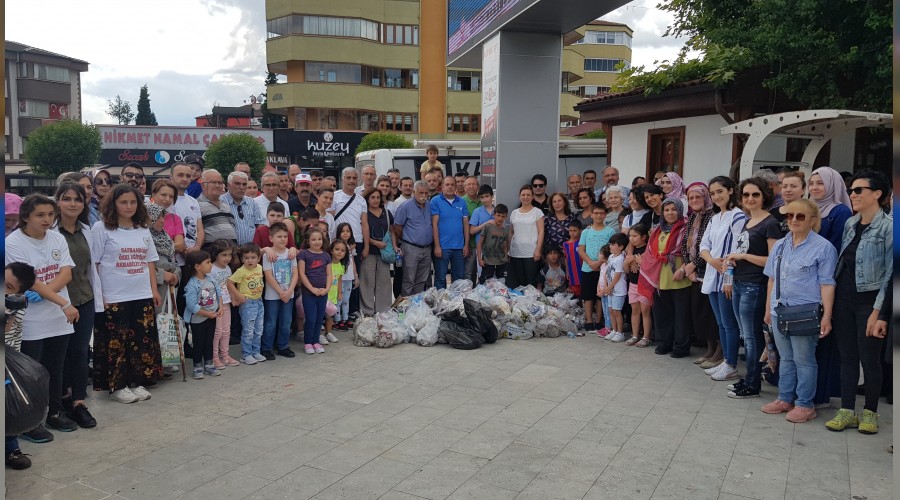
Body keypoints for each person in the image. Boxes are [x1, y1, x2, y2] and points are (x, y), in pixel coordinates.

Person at [6, 195, 80, 441]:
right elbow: (30, 281)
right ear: (26, 216)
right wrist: (63, 303)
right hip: (31, 319)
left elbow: (66, 272)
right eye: (40, 215)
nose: (47, 219)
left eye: (50, 214)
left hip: (57, 317)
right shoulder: (13, 243)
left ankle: (55, 412)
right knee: (31, 372)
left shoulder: (57, 237)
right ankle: (30, 421)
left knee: (55, 368)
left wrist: (55, 297)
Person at [827, 169, 892, 434]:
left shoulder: (889, 228)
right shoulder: (850, 224)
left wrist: (880, 313)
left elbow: (891, 275)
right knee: (847, 357)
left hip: (870, 301)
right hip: (844, 299)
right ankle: (847, 410)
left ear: (876, 194)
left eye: (858, 190)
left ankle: (870, 413)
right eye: (851, 190)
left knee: (870, 359)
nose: (852, 195)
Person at [761, 199, 836, 423]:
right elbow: (771, 279)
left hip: (805, 313)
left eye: (800, 216)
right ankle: (785, 398)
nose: (793, 220)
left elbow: (827, 283)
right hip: (779, 311)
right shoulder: (780, 245)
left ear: (813, 221)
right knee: (786, 358)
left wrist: (827, 316)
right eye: (789, 215)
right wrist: (768, 309)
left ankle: (805, 403)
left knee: (804, 359)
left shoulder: (823, 248)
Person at [91, 184, 163, 403]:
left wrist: (153, 290)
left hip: (141, 293)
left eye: (133, 202)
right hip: (114, 295)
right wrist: (99, 294)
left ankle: (136, 380)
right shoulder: (101, 228)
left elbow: (149, 261)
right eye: (123, 202)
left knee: (141, 340)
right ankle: (117, 385)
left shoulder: (142, 229)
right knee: (116, 342)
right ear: (113, 204)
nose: (129, 206)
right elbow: (94, 263)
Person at [725, 178, 783, 398]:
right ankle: (749, 378)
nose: (750, 199)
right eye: (746, 195)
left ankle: (753, 383)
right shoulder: (746, 222)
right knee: (746, 335)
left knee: (752, 337)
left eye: (755, 194)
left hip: (755, 285)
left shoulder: (770, 223)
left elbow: (773, 260)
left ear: (764, 196)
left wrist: (743, 256)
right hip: (740, 282)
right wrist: (732, 260)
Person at [53, 182, 103, 429]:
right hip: (58, 303)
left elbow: (92, 267)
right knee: (59, 355)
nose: (72, 203)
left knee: (80, 353)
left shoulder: (87, 230)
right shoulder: (51, 232)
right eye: (67, 198)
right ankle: (59, 401)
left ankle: (79, 403)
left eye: (78, 199)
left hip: (85, 299)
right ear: (58, 201)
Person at [700, 176, 746, 382]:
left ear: (730, 191)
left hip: (727, 278)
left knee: (729, 323)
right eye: (713, 193)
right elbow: (704, 246)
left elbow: (737, 250)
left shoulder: (738, 217)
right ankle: (726, 361)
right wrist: (712, 261)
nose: (716, 196)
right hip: (713, 274)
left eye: (720, 191)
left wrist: (727, 275)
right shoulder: (714, 217)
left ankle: (731, 364)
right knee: (720, 322)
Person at [677, 182, 720, 367]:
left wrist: (693, 266)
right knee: (701, 313)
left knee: (712, 315)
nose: (694, 200)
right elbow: (685, 245)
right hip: (693, 273)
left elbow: (708, 246)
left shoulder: (713, 217)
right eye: (691, 198)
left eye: (698, 197)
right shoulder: (692, 218)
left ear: (706, 197)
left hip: (708, 272)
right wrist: (688, 266)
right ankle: (709, 350)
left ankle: (719, 353)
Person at [642, 199, 692, 357]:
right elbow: (650, 251)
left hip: (680, 277)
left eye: (673, 209)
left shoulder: (687, 229)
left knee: (681, 315)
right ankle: (665, 343)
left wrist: (683, 268)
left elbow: (692, 251)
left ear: (680, 211)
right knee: (663, 314)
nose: (670, 213)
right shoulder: (658, 230)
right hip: (660, 278)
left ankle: (681, 347)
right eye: (667, 210)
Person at [5, 262, 37, 469]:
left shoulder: (15, 306)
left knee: (7, 406)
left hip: (7, 363)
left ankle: (10, 448)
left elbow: (12, 339)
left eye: (8, 287)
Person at [331, 168, 367, 316]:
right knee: (338, 278)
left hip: (356, 243)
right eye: (348, 178)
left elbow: (364, 223)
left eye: (354, 178)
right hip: (338, 245)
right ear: (343, 179)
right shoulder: (335, 197)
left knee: (353, 277)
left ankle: (352, 310)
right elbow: (330, 220)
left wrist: (366, 246)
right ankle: (336, 312)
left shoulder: (361, 199)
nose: (352, 181)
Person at [261, 222, 298, 360]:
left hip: (289, 294)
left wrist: (289, 291)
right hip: (273, 295)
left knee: (286, 321)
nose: (283, 239)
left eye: (285, 236)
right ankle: (266, 348)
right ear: (271, 238)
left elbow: (295, 274)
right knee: (270, 322)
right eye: (279, 236)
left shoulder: (290, 253)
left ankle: (283, 346)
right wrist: (280, 292)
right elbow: (268, 276)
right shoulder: (268, 255)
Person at [182, 250, 222, 379]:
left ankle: (209, 365)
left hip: (212, 317)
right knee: (198, 342)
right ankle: (197, 366)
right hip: (198, 319)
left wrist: (220, 307)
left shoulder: (211, 279)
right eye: (208, 262)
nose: (211, 265)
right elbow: (191, 305)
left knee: (209, 341)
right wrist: (206, 314)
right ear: (197, 266)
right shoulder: (192, 284)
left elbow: (219, 293)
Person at [227, 244, 266, 365]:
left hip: (259, 301)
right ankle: (246, 354)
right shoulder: (241, 271)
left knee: (258, 329)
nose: (250, 260)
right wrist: (238, 296)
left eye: (253, 257)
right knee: (248, 330)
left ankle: (256, 352)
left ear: (258, 258)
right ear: (242, 259)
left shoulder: (259, 268)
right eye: (246, 258)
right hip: (248, 303)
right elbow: (229, 282)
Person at [578, 204, 615, 332]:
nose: (599, 216)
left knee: (601, 295)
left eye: (601, 213)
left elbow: (611, 250)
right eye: (596, 213)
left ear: (605, 215)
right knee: (588, 296)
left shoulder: (610, 231)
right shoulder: (586, 231)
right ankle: (589, 321)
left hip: (603, 269)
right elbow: (581, 249)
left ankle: (599, 321)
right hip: (587, 268)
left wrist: (599, 263)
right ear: (592, 215)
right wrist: (590, 263)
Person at [360, 188, 397, 315]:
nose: (375, 200)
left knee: (384, 282)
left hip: (384, 252)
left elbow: (391, 231)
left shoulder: (386, 213)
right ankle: (367, 310)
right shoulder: (364, 213)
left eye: (378, 197)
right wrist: (375, 243)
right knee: (367, 281)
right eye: (372, 197)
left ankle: (383, 310)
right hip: (369, 251)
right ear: (367, 199)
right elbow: (362, 232)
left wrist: (394, 246)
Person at [394, 181, 434, 296]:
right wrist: (407, 240)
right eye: (421, 193)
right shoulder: (405, 207)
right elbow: (397, 227)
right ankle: (406, 308)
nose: (424, 196)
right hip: (411, 248)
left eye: (426, 193)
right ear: (414, 192)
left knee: (422, 280)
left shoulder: (429, 205)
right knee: (409, 279)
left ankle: (417, 306)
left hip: (426, 248)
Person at [298, 228, 333, 354]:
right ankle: (308, 343)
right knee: (311, 318)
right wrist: (312, 289)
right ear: (308, 241)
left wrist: (327, 288)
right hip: (309, 293)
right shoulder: (304, 254)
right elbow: (302, 273)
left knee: (319, 318)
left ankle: (316, 341)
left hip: (323, 292)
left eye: (319, 239)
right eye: (313, 239)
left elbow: (329, 274)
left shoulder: (326, 255)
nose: (317, 242)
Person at [431, 176, 469, 289]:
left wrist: (466, 245)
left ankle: (455, 304)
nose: (450, 187)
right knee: (440, 278)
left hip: (459, 247)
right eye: (447, 184)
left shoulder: (462, 202)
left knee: (458, 279)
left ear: (456, 187)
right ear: (442, 187)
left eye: (452, 184)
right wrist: (437, 246)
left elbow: (466, 224)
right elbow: (434, 224)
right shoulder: (435, 201)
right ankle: (440, 304)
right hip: (442, 247)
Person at [207, 241, 240, 369]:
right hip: (216, 305)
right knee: (217, 332)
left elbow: (228, 284)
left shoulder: (227, 268)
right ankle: (214, 357)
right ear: (216, 254)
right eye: (223, 255)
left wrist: (233, 297)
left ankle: (225, 355)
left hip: (226, 303)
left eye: (229, 255)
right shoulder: (211, 269)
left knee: (226, 331)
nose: (227, 258)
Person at [507, 185, 545, 288]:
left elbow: (541, 232)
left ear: (532, 197)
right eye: (523, 195)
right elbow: (511, 232)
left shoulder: (537, 212)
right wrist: (508, 250)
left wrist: (538, 250)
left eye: (528, 195)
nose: (525, 197)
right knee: (519, 282)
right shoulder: (514, 213)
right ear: (519, 196)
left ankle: (531, 303)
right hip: (516, 253)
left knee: (530, 283)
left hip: (531, 253)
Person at [808, 166, 852, 250]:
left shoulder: (841, 212)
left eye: (820, 183)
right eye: (811, 183)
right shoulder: (806, 208)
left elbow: (835, 247)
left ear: (833, 184)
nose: (814, 188)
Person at [170, 162, 205, 265]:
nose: (185, 179)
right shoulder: (167, 200)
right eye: (180, 175)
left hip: (193, 259)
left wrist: (197, 247)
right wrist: (185, 249)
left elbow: (200, 229)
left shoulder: (193, 201)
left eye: (188, 176)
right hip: (174, 261)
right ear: (171, 176)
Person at [624, 224, 652, 347]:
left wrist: (640, 261)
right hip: (633, 284)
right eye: (630, 236)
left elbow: (651, 269)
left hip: (645, 285)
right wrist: (627, 262)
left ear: (644, 237)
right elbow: (626, 270)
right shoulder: (631, 251)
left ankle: (646, 337)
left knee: (645, 311)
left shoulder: (648, 250)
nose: (632, 239)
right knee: (635, 311)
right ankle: (635, 335)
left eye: (635, 236)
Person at [221, 171, 265, 246]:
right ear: (228, 185)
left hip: (251, 250)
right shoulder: (221, 202)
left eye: (244, 184)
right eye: (237, 184)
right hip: (230, 250)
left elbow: (260, 225)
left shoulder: (252, 202)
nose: (241, 187)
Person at [599, 233, 629, 342]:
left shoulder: (621, 259)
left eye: (613, 244)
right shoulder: (611, 257)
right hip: (610, 289)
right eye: (610, 244)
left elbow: (617, 276)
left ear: (621, 247)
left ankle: (620, 333)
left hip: (618, 290)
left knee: (617, 311)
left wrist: (609, 287)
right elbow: (607, 272)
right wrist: (606, 286)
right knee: (610, 310)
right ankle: (614, 330)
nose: (610, 246)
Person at [197, 170, 237, 248]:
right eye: (213, 182)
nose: (217, 185)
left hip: (231, 253)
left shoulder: (226, 206)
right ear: (203, 186)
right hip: (211, 254)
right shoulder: (196, 205)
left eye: (220, 183)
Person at [477, 204, 511, 283]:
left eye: (503, 216)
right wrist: (479, 259)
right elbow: (479, 243)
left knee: (501, 282)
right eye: (498, 215)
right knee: (484, 282)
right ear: (494, 215)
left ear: (506, 217)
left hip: (501, 261)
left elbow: (505, 245)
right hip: (488, 261)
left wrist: (506, 257)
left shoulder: (505, 229)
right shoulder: (487, 227)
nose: (500, 218)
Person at [334, 223, 359, 330]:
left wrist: (356, 275)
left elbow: (352, 261)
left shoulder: (351, 246)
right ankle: (337, 320)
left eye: (347, 231)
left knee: (346, 299)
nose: (345, 233)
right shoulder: (336, 245)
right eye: (343, 231)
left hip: (349, 277)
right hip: (339, 277)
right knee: (338, 299)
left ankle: (345, 318)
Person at [323, 239, 347, 342]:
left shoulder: (341, 266)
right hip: (324, 293)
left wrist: (340, 292)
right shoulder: (327, 264)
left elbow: (339, 280)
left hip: (333, 294)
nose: (339, 252)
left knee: (330, 315)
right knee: (320, 316)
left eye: (342, 250)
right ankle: (319, 335)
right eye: (337, 249)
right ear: (331, 250)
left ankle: (329, 333)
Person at [461, 176, 483, 283]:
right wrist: (466, 244)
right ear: (464, 187)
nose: (471, 187)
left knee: (481, 272)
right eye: (468, 184)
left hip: (482, 245)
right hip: (469, 245)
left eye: (474, 184)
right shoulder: (461, 202)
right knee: (468, 273)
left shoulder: (483, 201)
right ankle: (467, 296)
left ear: (478, 186)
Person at [562, 220, 583, 297]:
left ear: (580, 230)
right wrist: (567, 271)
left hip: (582, 269)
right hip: (572, 271)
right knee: (575, 291)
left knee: (584, 288)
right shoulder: (565, 244)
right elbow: (566, 259)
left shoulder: (582, 242)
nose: (572, 233)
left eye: (575, 230)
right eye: (570, 231)